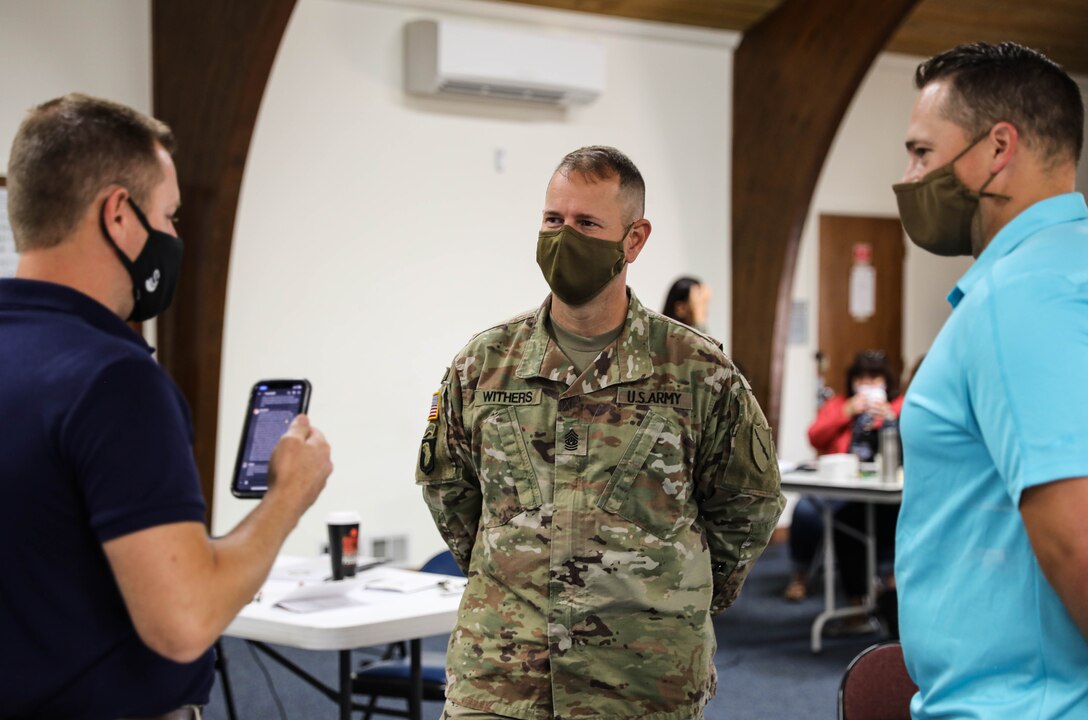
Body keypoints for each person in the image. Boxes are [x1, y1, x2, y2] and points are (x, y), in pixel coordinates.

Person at [417, 146, 784, 720]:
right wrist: (514, 572)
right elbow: (450, 492)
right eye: (552, 221)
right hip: (502, 678)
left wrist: (677, 595)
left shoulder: (696, 370)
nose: (565, 238)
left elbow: (747, 505)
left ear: (633, 240)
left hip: (640, 680)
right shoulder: (483, 365)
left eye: (587, 223)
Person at [0, 94, 333, 719]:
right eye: (171, 215)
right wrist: (290, 493)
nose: (175, 237)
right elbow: (184, 619)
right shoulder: (113, 379)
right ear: (119, 215)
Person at [893, 42, 1088, 718]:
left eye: (922, 152)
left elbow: (1076, 539)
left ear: (998, 148)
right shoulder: (1068, 270)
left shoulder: (1021, 296)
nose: (910, 175)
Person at [784, 351, 902, 607]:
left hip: (878, 487)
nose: (868, 385)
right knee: (805, 509)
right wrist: (846, 413)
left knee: (875, 515)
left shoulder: (898, 406)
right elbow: (815, 436)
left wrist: (889, 418)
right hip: (838, 484)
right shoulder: (840, 404)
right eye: (862, 379)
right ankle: (800, 575)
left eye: (874, 379)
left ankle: (886, 576)